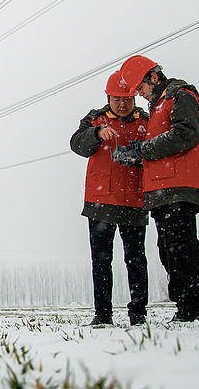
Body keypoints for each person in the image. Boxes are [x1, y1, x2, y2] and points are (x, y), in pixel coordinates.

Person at [113, 55, 199, 324]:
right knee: (168, 251)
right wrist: (135, 154)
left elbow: (185, 134)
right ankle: (185, 306)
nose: (141, 96)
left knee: (183, 248)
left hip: (180, 187)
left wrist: (143, 149)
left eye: (141, 89)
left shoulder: (181, 95)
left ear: (154, 77)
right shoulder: (158, 106)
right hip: (160, 191)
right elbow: (157, 145)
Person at [70, 70, 149, 327]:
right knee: (102, 260)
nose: (123, 104)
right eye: (117, 99)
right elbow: (76, 145)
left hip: (135, 201)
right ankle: (102, 314)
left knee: (136, 259)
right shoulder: (95, 119)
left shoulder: (146, 122)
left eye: (127, 99)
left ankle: (138, 313)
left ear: (135, 97)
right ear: (108, 97)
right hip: (100, 202)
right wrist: (96, 134)